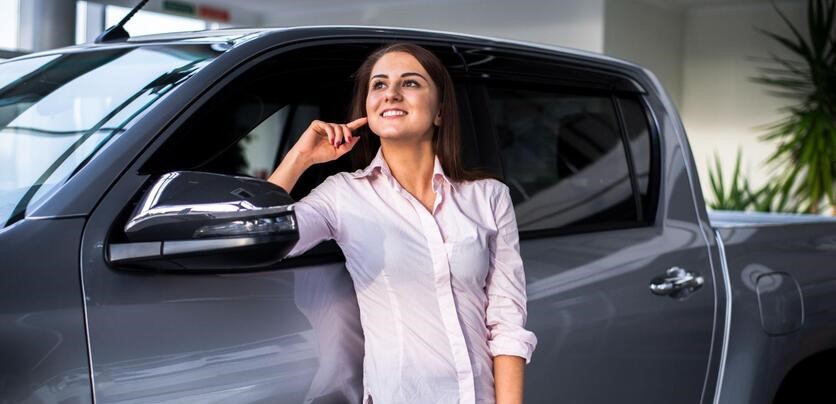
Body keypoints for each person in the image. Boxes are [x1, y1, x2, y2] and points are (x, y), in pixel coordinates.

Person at [268, 42, 537, 404]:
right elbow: (267, 236)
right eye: (378, 85)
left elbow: (506, 323)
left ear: (440, 110)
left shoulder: (489, 197)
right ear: (367, 107)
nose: (391, 93)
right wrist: (299, 158)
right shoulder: (343, 195)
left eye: (410, 83)